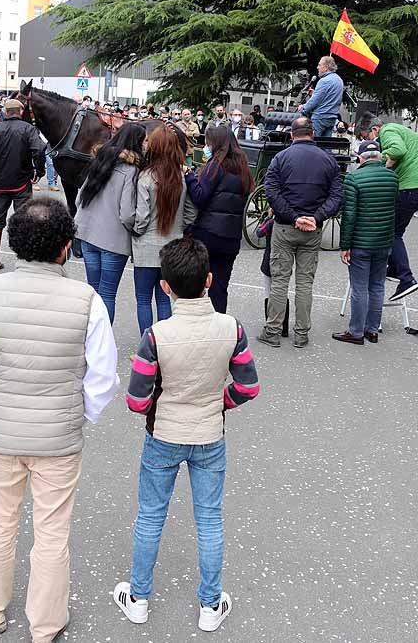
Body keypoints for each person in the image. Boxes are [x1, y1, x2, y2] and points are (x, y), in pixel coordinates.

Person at [0, 197, 119, 643]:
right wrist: (77, 415)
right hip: (59, 435)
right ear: (66, 247)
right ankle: (46, 622)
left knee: (0, 520)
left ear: (13, 242)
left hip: (1, 431)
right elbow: (103, 377)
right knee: (52, 529)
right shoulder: (86, 299)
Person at [114, 236, 258, 634]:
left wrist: (162, 402)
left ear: (165, 287)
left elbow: (136, 401)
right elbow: (247, 386)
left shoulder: (156, 336)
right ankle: (211, 604)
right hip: (210, 434)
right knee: (209, 519)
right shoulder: (232, 328)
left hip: (163, 434)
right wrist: (219, 403)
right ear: (209, 280)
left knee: (150, 516)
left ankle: (139, 598)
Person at [259, 116, 342, 347]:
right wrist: (315, 218)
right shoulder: (328, 160)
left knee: (279, 281)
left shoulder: (280, 158)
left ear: (292, 134)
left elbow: (271, 192)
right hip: (312, 231)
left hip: (285, 227)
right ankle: (302, 334)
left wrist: (294, 217)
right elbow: (337, 196)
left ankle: (273, 331)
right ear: (312, 134)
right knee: (305, 283)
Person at [121, 125, 192, 335]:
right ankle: (164, 343)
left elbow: (141, 218)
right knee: (164, 298)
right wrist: (179, 227)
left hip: (146, 247)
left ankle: (147, 346)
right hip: (173, 246)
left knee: (143, 299)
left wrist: (136, 230)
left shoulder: (146, 177)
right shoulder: (180, 176)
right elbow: (190, 212)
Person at [74, 124, 142, 321]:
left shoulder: (98, 160)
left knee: (93, 293)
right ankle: (102, 342)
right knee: (107, 295)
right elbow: (127, 213)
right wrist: (137, 230)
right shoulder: (130, 171)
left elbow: (79, 200)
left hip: (87, 234)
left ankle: (89, 338)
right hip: (114, 239)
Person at [361, 118, 418, 301]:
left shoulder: (388, 131)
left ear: (375, 129)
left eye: (370, 137)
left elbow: (397, 150)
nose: (374, 144)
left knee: (389, 231)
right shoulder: (403, 131)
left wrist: (377, 165)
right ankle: (395, 267)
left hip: (411, 187)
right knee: (396, 231)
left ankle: (406, 278)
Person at [185, 124, 253, 315]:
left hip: (208, 233)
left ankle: (197, 328)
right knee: (220, 287)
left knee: (196, 286)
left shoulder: (214, 166)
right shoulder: (243, 169)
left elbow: (200, 197)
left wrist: (189, 176)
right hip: (231, 238)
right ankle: (219, 327)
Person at [335, 141, 397, 345]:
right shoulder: (392, 178)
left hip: (361, 241)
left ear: (361, 158)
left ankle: (356, 332)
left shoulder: (353, 178)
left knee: (359, 287)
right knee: (377, 285)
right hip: (384, 240)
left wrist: (345, 245)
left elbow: (349, 215)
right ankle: (372, 329)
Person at [0, 98, 46, 272]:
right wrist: (39, 171)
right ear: (21, 111)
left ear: (6, 112)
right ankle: (24, 259)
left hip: (0, 182)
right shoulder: (28, 129)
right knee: (25, 219)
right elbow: (39, 149)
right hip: (22, 182)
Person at [300, 56, 344, 137]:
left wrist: (303, 109)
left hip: (319, 118)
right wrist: (314, 93)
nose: (317, 67)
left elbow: (315, 101)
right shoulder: (339, 81)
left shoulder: (324, 81)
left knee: (313, 146)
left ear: (326, 67)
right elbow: (330, 99)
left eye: (319, 65)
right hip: (332, 119)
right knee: (326, 146)